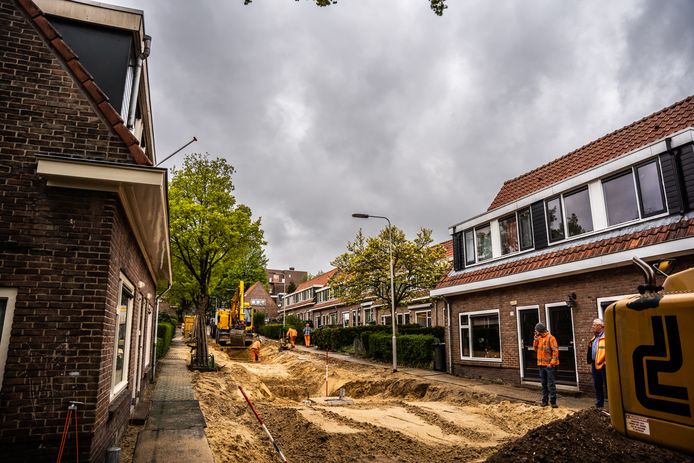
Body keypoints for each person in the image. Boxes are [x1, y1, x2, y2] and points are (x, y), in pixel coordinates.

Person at [533, 322, 559, 408]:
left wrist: (551, 364)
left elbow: (555, 352)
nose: (535, 332)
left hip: (549, 366)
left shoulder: (551, 338)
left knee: (551, 384)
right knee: (543, 384)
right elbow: (535, 349)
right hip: (541, 365)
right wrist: (535, 340)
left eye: (536, 331)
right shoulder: (539, 338)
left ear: (540, 330)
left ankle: (553, 402)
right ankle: (544, 401)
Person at [587, 318, 606, 409]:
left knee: (607, 385)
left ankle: (612, 405)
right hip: (595, 364)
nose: (592, 326)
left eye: (594, 325)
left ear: (600, 326)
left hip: (604, 364)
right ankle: (599, 403)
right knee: (597, 384)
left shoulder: (606, 337)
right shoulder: (595, 337)